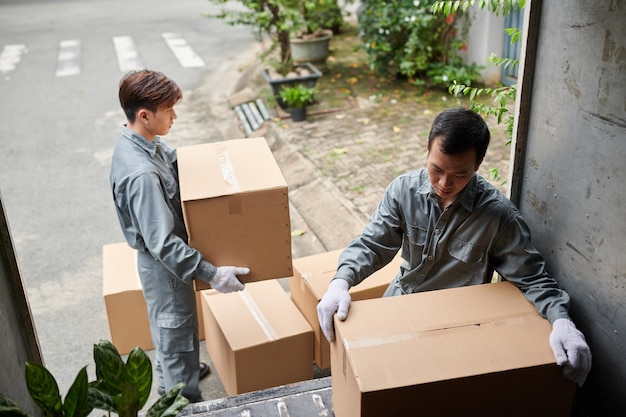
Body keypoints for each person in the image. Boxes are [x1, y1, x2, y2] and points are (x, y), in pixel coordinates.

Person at [317, 107, 592, 386]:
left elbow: (532, 278)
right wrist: (340, 282)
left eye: (460, 174)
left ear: (478, 163)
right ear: (427, 148)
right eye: (437, 169)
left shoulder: (498, 217)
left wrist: (561, 321)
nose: (445, 183)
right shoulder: (403, 191)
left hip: (457, 324)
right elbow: (373, 243)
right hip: (400, 303)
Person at [110, 69, 250, 402]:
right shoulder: (140, 173)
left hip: (165, 263)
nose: (175, 115)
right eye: (168, 110)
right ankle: (180, 397)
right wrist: (212, 273)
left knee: (173, 325)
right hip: (165, 267)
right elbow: (164, 245)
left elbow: (174, 162)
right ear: (144, 115)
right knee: (176, 330)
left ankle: (178, 370)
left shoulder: (144, 143)